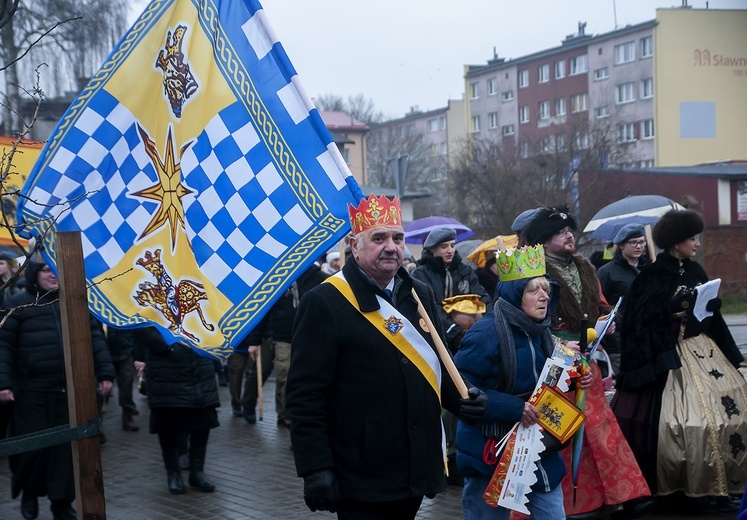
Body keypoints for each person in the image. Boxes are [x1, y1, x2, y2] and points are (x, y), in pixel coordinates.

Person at [285, 193, 488, 520]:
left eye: (397, 237)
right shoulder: (324, 302)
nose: (391, 246)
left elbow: (436, 360)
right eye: (378, 238)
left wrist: (461, 397)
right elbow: (304, 395)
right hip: (361, 471)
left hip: (416, 465)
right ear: (355, 245)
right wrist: (315, 467)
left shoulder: (418, 292)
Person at [612, 209, 746, 513]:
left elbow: (713, 319)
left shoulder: (697, 270)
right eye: (691, 238)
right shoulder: (651, 276)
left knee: (726, 416)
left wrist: (709, 310)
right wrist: (669, 311)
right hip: (667, 361)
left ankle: (720, 484)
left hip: (703, 351)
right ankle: (680, 488)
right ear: (675, 243)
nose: (697, 243)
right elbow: (637, 322)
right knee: (686, 423)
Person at [524, 206, 650, 518]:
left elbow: (602, 306)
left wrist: (608, 320)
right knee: (560, 432)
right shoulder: (533, 270)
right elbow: (527, 319)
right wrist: (556, 344)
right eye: (560, 232)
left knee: (601, 429)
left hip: (586, 361)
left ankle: (620, 494)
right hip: (550, 365)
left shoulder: (585, 267)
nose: (569, 236)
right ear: (543, 239)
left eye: (570, 230)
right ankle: (567, 502)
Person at [454, 245, 592, 519]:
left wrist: (576, 378)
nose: (544, 296)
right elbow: (460, 389)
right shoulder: (485, 334)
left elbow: (546, 380)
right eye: (533, 290)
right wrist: (512, 408)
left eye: (546, 289)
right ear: (516, 295)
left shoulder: (542, 331)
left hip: (539, 449)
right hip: (490, 452)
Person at [0, 262, 114, 520]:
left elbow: (95, 338)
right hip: (31, 391)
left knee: (66, 452)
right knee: (33, 449)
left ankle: (61, 503)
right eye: (46, 270)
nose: (53, 275)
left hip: (71, 391)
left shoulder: (77, 302)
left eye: (56, 269)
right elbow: (3, 346)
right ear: (34, 274)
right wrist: (3, 383)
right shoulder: (18, 304)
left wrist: (106, 373)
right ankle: (29, 494)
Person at [134, 327, 220, 495]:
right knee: (167, 424)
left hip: (199, 366)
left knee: (202, 422)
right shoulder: (154, 301)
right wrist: (168, 347)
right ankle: (173, 473)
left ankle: (197, 471)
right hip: (166, 369)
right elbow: (143, 324)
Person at [243, 261, 328, 426]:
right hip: (282, 338)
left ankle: (285, 415)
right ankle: (287, 420)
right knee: (284, 379)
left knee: (301, 382)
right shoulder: (278, 279)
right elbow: (262, 312)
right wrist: (254, 341)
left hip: (311, 340)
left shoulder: (322, 279)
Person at [412, 227, 490, 353]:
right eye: (444, 247)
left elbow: (483, 298)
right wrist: (454, 331)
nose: (450, 251)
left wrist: (484, 325)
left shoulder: (465, 271)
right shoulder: (420, 274)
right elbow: (429, 307)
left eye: (452, 246)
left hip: (472, 335)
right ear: (432, 248)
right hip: (436, 339)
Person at [596, 224, 649, 375]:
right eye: (633, 243)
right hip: (619, 342)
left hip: (646, 338)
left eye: (642, 242)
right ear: (620, 246)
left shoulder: (648, 269)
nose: (639, 246)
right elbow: (598, 305)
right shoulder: (607, 272)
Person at [105, 327, 140, 431]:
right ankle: (97, 421)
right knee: (103, 387)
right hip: (106, 350)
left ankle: (127, 416)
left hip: (126, 349)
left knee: (126, 383)